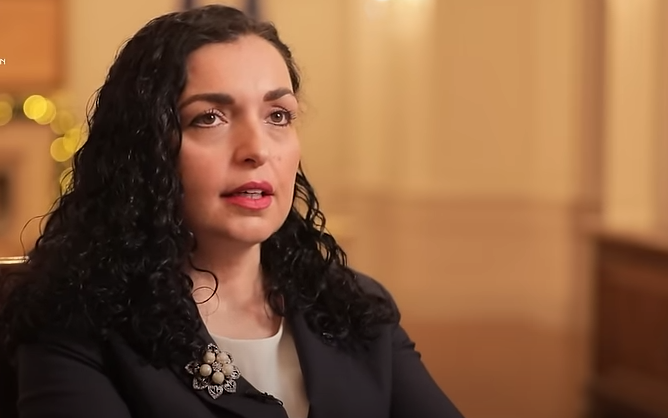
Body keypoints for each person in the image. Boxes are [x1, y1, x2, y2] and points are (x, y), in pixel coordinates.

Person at [0, 5, 465, 418]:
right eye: (210, 117)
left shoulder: (355, 306)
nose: (256, 150)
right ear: (144, 150)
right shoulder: (73, 323)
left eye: (278, 115)